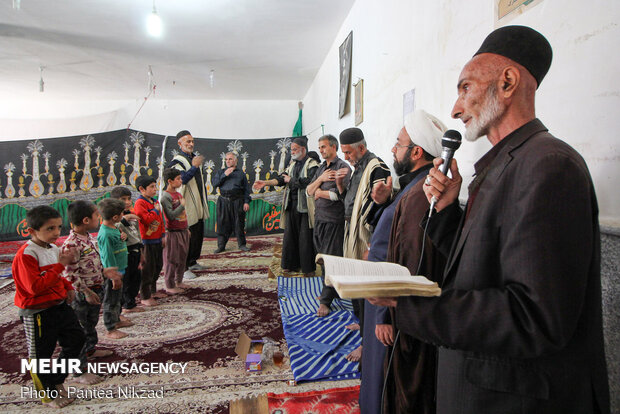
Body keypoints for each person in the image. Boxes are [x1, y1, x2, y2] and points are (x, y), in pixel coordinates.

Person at [372, 26, 610, 413]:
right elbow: (483, 269)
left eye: (465, 87)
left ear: (508, 81)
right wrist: (448, 215)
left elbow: (533, 317)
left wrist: (408, 303)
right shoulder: (506, 165)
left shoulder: (549, 166)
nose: (455, 107)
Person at [361, 110, 447, 414]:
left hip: (389, 304)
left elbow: (410, 260)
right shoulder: (411, 187)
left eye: (399, 144)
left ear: (416, 152)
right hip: (382, 297)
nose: (393, 150)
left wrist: (385, 315)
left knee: (384, 379)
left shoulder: (423, 193)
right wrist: (385, 201)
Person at [12, 206, 84, 408]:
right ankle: (48, 395)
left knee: (76, 339)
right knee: (41, 355)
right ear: (32, 231)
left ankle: (57, 379)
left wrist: (67, 287)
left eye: (58, 227)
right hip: (38, 312)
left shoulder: (53, 249)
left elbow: (57, 276)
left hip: (59, 305)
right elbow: (34, 288)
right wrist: (61, 266)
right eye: (50, 228)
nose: (56, 233)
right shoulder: (27, 254)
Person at [337, 127, 391, 362]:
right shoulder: (357, 167)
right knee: (356, 287)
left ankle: (365, 344)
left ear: (361, 147)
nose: (346, 157)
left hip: (366, 239)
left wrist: (371, 242)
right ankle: (361, 324)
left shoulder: (377, 167)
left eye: (348, 152)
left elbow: (381, 205)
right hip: (351, 232)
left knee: (366, 290)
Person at [61, 201, 122, 385]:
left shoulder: (87, 238)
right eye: (97, 215)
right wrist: (85, 291)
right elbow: (70, 274)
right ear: (86, 220)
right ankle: (79, 372)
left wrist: (104, 272)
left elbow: (91, 263)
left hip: (95, 288)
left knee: (90, 323)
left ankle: (90, 349)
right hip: (82, 293)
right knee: (79, 330)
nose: (99, 218)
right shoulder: (72, 244)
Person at [254, 137, 320, 276]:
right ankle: (291, 265)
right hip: (291, 205)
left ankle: (308, 269)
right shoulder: (292, 165)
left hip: (305, 208)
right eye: (291, 149)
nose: (292, 152)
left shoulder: (312, 164)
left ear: (303, 149)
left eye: (295, 149)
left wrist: (292, 180)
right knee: (290, 237)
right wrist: (265, 183)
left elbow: (310, 183)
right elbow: (280, 179)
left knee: (305, 239)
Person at [305, 134, 351, 317]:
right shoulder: (322, 169)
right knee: (323, 260)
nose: (321, 150)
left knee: (332, 260)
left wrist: (319, 192)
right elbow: (309, 191)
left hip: (334, 220)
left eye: (323, 147)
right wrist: (321, 179)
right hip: (320, 219)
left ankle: (325, 301)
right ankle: (331, 290)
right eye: (319, 147)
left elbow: (336, 196)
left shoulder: (343, 168)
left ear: (334, 147)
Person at [169, 130, 209, 278]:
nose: (191, 144)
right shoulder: (177, 161)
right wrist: (194, 167)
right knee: (187, 235)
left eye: (192, 141)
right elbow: (182, 180)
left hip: (197, 202)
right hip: (186, 204)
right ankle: (183, 268)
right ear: (180, 144)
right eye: (188, 142)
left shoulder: (193, 158)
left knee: (198, 233)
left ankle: (192, 261)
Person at [97, 198, 132, 339]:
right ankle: (110, 328)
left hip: (120, 269)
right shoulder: (105, 234)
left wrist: (122, 236)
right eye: (122, 214)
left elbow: (117, 242)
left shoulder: (114, 228)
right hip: (113, 273)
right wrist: (113, 275)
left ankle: (116, 319)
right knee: (110, 300)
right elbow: (107, 256)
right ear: (115, 217)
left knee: (117, 297)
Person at [110, 186, 145, 314]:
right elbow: (113, 228)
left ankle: (131, 302)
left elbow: (137, 233)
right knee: (127, 279)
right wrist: (124, 219)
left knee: (136, 278)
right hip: (125, 252)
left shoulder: (131, 214)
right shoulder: (114, 217)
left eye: (129, 199)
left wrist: (141, 251)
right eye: (123, 199)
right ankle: (126, 304)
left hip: (135, 249)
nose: (127, 202)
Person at [134, 175, 166, 307]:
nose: (155, 189)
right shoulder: (140, 203)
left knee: (158, 265)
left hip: (157, 239)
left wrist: (163, 235)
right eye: (152, 187)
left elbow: (160, 220)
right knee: (147, 268)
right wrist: (154, 210)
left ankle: (153, 290)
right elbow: (145, 219)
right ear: (142, 189)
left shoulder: (155, 202)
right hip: (147, 241)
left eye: (155, 186)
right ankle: (145, 295)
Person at [212, 152, 251, 253]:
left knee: (239, 224)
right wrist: (225, 175)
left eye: (230, 159)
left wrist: (246, 202)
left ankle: (242, 244)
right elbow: (215, 184)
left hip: (237, 201)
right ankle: (221, 246)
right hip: (223, 201)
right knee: (222, 224)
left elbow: (246, 189)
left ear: (235, 160)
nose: (228, 161)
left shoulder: (241, 174)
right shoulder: (221, 172)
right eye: (226, 159)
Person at [160, 168, 191, 294]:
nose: (180, 181)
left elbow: (184, 214)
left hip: (182, 230)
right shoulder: (166, 197)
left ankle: (179, 280)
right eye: (178, 179)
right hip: (172, 232)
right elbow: (171, 215)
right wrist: (182, 205)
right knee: (172, 259)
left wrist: (187, 228)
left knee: (182, 258)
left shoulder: (178, 194)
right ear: (170, 181)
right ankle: (170, 284)